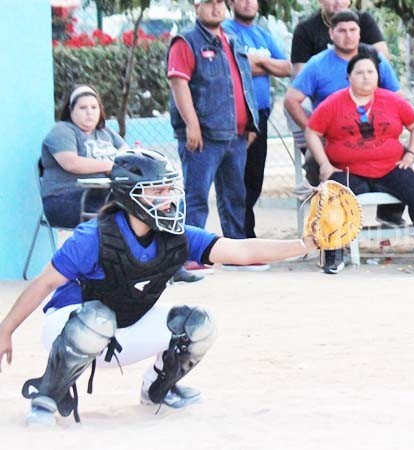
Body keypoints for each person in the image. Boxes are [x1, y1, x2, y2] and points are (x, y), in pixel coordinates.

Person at [0, 149, 319, 426]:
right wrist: (6, 330)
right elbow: (43, 283)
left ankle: (157, 389)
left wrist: (304, 244)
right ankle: (48, 395)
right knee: (97, 318)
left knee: (199, 324)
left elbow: (241, 251)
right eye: (157, 191)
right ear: (129, 195)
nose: (168, 200)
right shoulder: (94, 236)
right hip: (71, 328)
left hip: (124, 330)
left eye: (169, 189)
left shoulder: (176, 234)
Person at [305, 51, 414, 274]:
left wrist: (411, 153)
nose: (365, 77)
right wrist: (324, 164)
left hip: (390, 168)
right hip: (349, 171)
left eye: (370, 72)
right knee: (336, 195)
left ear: (378, 76)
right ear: (349, 77)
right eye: (359, 72)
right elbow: (312, 131)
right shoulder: (334, 102)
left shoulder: (392, 100)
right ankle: (333, 254)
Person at [167, 0, 261, 272]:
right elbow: (178, 82)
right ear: (196, 8)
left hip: (237, 135)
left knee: (235, 195)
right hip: (204, 136)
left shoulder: (233, 40)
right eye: (208, 3)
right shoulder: (185, 41)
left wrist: (251, 125)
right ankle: (189, 254)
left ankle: (236, 252)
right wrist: (191, 125)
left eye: (220, 2)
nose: (215, 8)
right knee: (196, 195)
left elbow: (244, 84)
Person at [288, 1, 400, 226]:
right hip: (332, 136)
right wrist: (314, 130)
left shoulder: (374, 61)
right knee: (315, 164)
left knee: (402, 157)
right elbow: (292, 99)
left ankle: (389, 213)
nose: (348, 36)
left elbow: (397, 98)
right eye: (342, 31)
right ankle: (329, 228)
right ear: (331, 33)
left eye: (353, 31)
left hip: (373, 135)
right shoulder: (317, 61)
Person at [223, 0, 292, 241]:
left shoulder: (263, 33)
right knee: (235, 179)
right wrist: (266, 64)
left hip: (260, 115)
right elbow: (233, 65)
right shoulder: (226, 29)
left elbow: (287, 67)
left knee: (254, 178)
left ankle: (246, 236)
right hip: (236, 117)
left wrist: (257, 62)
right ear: (231, 3)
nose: (248, 3)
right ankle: (239, 239)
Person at [40, 84, 126, 230]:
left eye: (94, 107)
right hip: (64, 198)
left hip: (103, 195)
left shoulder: (106, 132)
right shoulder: (62, 130)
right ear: (71, 110)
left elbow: (127, 156)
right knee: (117, 218)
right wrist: (108, 166)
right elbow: (71, 163)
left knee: (140, 210)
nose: (89, 113)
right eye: (83, 108)